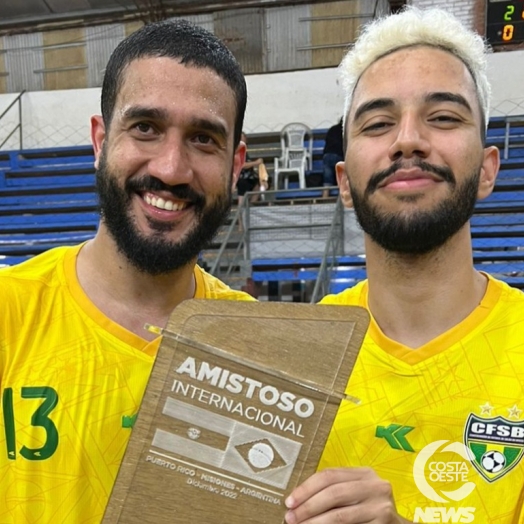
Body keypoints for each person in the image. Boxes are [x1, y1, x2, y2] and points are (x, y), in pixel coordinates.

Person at [0, 20, 255, 523]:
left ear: (234, 164)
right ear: (100, 141)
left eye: (204, 139)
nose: (171, 168)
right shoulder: (10, 310)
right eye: (146, 128)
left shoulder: (258, 345)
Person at [285, 6, 524, 524]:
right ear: (344, 182)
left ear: (487, 170)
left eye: (442, 117)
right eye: (378, 123)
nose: (407, 140)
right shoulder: (293, 360)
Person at [236, 131, 268, 209]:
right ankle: (241, 220)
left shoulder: (244, 151)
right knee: (241, 202)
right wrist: (256, 162)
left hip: (249, 177)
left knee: (260, 185)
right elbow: (242, 165)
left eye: (243, 138)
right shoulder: (237, 151)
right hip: (241, 178)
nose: (242, 140)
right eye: (240, 138)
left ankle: (251, 207)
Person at [322, 117, 344, 197]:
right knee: (342, 178)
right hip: (339, 155)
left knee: (327, 179)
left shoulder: (332, 129)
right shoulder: (345, 132)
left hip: (327, 155)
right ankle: (342, 199)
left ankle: (325, 197)